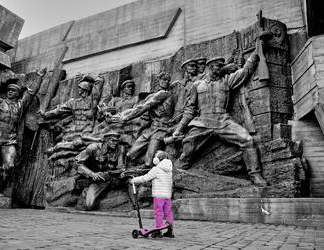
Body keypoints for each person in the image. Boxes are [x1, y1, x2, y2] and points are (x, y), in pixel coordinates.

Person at [173, 49, 267, 186]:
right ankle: (178, 170)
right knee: (188, 148)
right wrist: (179, 129)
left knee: (248, 140)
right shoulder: (197, 85)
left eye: (222, 66)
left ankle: (255, 174)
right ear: (211, 67)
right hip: (203, 121)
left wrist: (257, 50)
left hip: (223, 120)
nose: (221, 68)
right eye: (218, 66)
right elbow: (190, 109)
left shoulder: (227, 81)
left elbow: (245, 71)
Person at [0, 69, 46, 196]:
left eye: (13, 91)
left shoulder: (20, 106)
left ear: (17, 94)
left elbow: (31, 93)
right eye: (9, 90)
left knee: (9, 165)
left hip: (9, 140)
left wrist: (39, 77)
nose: (10, 92)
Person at [112, 72, 175, 168]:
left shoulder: (164, 94)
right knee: (130, 154)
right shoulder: (152, 96)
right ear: (158, 81)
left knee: (148, 162)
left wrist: (126, 118)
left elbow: (145, 107)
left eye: (167, 80)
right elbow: (137, 108)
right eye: (163, 79)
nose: (166, 82)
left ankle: (153, 165)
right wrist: (120, 115)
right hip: (151, 129)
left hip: (162, 130)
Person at [75, 131, 126, 210]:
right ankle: (86, 192)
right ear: (106, 140)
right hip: (96, 179)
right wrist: (92, 174)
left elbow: (120, 166)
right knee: (89, 205)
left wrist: (122, 172)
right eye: (113, 140)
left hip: (110, 178)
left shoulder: (120, 149)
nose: (115, 143)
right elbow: (77, 163)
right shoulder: (93, 148)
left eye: (117, 141)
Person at [130, 150, 174, 238]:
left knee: (158, 212)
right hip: (167, 195)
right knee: (168, 212)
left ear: (157, 159)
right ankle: (170, 231)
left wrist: (134, 180)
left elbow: (145, 178)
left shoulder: (156, 169)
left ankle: (158, 231)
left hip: (159, 195)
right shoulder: (169, 169)